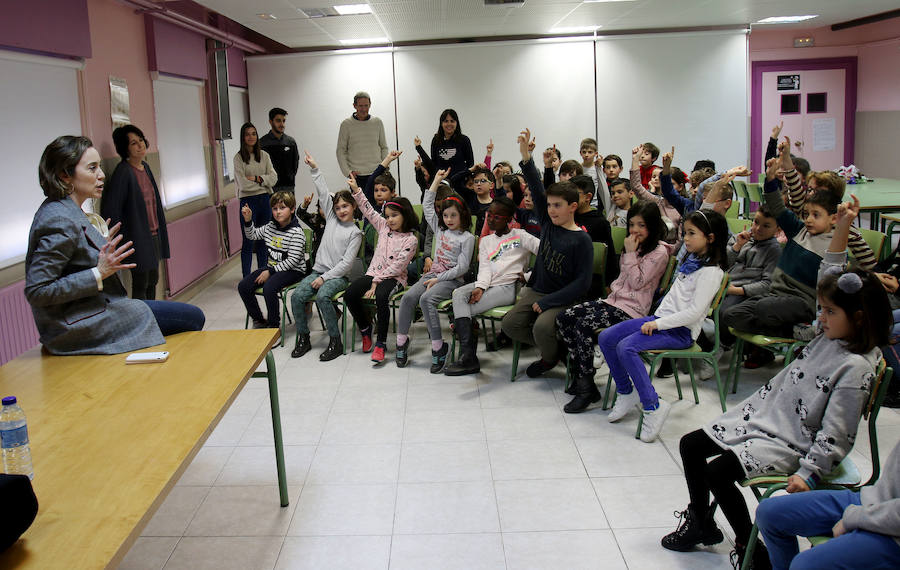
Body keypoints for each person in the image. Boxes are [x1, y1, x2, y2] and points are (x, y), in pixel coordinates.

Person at [660, 198, 892, 569]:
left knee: (717, 471)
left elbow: (837, 435)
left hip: (794, 440)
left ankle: (751, 549)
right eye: (823, 309)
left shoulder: (856, 366)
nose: (822, 316)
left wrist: (808, 473)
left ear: (860, 319)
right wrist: (844, 226)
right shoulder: (828, 333)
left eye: (830, 312)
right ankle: (702, 523)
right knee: (690, 444)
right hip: (765, 416)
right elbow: (828, 273)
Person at [25, 136, 204, 356]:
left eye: (99, 167)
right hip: (77, 324)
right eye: (92, 168)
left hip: (93, 310)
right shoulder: (59, 219)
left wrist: (100, 243)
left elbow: (74, 255)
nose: (101, 175)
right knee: (193, 318)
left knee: (183, 317)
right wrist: (98, 272)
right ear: (65, 174)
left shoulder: (65, 208)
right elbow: (38, 290)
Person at [598, 209, 729, 442]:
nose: (686, 239)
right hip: (661, 322)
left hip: (681, 332)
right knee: (607, 337)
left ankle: (653, 405)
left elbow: (695, 313)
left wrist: (658, 323)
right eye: (684, 233)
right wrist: (655, 320)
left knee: (626, 347)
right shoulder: (692, 262)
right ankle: (627, 392)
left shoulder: (711, 272)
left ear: (710, 238)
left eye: (691, 234)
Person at [723, 156, 840, 367]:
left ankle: (798, 329)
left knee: (764, 309)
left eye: (816, 215)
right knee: (731, 315)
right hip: (775, 295)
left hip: (802, 302)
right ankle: (795, 331)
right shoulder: (798, 230)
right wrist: (770, 179)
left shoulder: (833, 246)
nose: (809, 219)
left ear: (833, 218)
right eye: (807, 214)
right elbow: (777, 206)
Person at [557, 201, 672, 412]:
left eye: (642, 225)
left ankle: (585, 387)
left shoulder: (659, 252)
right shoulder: (636, 246)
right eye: (632, 224)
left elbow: (638, 282)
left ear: (653, 226)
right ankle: (586, 378)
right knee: (564, 317)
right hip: (613, 302)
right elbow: (624, 277)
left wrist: (629, 254)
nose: (635, 230)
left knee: (583, 325)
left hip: (633, 311)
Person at [500, 128, 593, 379]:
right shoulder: (549, 224)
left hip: (562, 297)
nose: (551, 210)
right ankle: (558, 350)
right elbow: (535, 188)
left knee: (542, 326)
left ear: (573, 207)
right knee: (509, 325)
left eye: (558, 206)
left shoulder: (582, 239)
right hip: (537, 290)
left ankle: (548, 357)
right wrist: (526, 156)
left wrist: (548, 302)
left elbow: (583, 284)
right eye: (549, 205)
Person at [755, 439, 900, 570]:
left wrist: (853, 518)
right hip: (878, 500)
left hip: (892, 528)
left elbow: (837, 432)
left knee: (805, 565)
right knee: (769, 513)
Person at [444, 196, 541, 376]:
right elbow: (485, 268)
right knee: (458, 294)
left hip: (508, 287)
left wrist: (528, 275)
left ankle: (468, 357)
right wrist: (480, 287)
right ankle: (469, 357)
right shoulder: (486, 241)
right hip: (489, 284)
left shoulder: (521, 236)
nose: (491, 219)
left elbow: (545, 253)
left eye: (497, 217)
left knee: (462, 309)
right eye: (490, 215)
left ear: (509, 218)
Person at [396, 168, 475, 372]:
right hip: (434, 275)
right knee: (407, 298)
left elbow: (462, 268)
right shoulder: (440, 230)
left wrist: (439, 279)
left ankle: (438, 348)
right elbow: (427, 206)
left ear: (462, 215)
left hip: (453, 280)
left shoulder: (466, 238)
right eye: (446, 215)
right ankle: (401, 342)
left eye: (453, 215)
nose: (448, 219)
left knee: (426, 299)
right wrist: (436, 180)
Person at [343, 151, 419, 364]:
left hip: (393, 279)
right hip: (373, 273)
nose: (390, 220)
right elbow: (367, 209)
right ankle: (366, 329)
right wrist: (357, 190)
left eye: (395, 216)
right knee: (350, 294)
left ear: (405, 215)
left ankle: (381, 343)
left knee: (381, 297)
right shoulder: (383, 227)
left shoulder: (411, 240)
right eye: (388, 216)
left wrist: (377, 282)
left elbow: (397, 267)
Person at [290, 151, 363, 361]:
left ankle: (335, 341)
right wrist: (314, 168)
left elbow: (347, 264)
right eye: (337, 207)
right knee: (297, 296)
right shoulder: (330, 219)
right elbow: (323, 192)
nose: (340, 210)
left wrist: (325, 278)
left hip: (338, 277)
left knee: (322, 296)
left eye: (345, 206)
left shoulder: (355, 232)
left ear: (353, 207)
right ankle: (303, 338)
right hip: (317, 272)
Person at [101, 124, 170, 300]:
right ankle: (142, 320)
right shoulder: (123, 172)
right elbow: (112, 209)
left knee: (153, 279)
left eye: (141, 140)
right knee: (141, 280)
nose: (140, 145)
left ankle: (154, 316)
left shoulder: (145, 167)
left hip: (153, 234)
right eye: (133, 143)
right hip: (138, 238)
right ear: (125, 149)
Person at [237, 191, 306, 336]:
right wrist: (248, 220)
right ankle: (259, 321)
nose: (278, 212)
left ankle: (274, 327)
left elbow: (292, 261)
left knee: (269, 287)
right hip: (273, 268)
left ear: (292, 209)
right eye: (275, 209)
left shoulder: (297, 233)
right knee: (243, 286)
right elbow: (252, 235)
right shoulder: (270, 227)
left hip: (294, 271)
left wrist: (270, 272)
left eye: (282, 208)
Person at [233, 122, 277, 277]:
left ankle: (262, 275)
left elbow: (274, 178)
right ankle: (246, 277)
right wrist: (263, 183)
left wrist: (257, 178)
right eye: (247, 134)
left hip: (265, 200)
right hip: (248, 202)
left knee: (263, 240)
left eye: (254, 133)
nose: (251, 137)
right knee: (248, 240)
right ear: (243, 137)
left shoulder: (264, 156)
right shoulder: (238, 158)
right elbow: (243, 185)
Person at [336, 91, 389, 204]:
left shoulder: (377, 122)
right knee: (361, 209)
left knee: (378, 208)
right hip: (357, 177)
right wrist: (347, 172)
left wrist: (384, 167)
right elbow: (340, 151)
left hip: (377, 173)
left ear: (370, 105)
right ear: (354, 106)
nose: (364, 109)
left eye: (366, 105)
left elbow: (384, 147)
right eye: (360, 106)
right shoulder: (346, 125)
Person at [258, 107, 299, 193]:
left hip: (288, 189)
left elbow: (295, 164)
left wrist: (290, 178)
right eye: (278, 121)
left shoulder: (291, 142)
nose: (282, 124)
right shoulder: (262, 143)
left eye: (283, 121)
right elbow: (259, 168)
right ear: (270, 121)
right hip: (269, 190)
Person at [430, 109, 473, 174]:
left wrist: (464, 176)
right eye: (446, 121)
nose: (449, 124)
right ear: (441, 123)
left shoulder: (464, 140)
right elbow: (434, 163)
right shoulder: (436, 140)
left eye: (452, 121)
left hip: (460, 181)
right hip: (441, 181)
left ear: (456, 123)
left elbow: (470, 163)